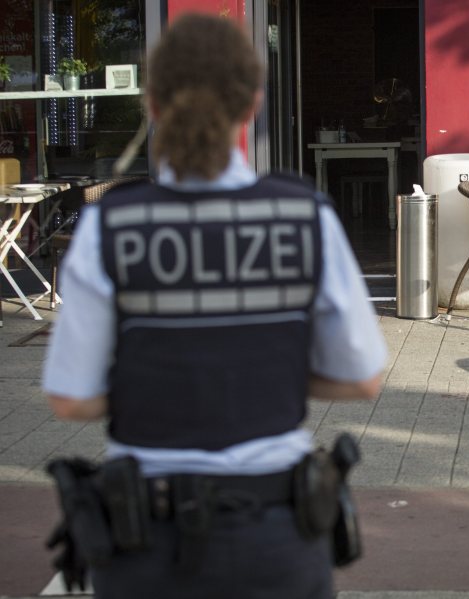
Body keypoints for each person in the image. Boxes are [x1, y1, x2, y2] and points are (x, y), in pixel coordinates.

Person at [42, 13, 386, 599]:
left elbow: (72, 398)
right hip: (278, 539)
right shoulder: (304, 216)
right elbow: (363, 377)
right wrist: (259, 373)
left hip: (145, 542)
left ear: (152, 102)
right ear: (252, 102)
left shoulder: (111, 226)